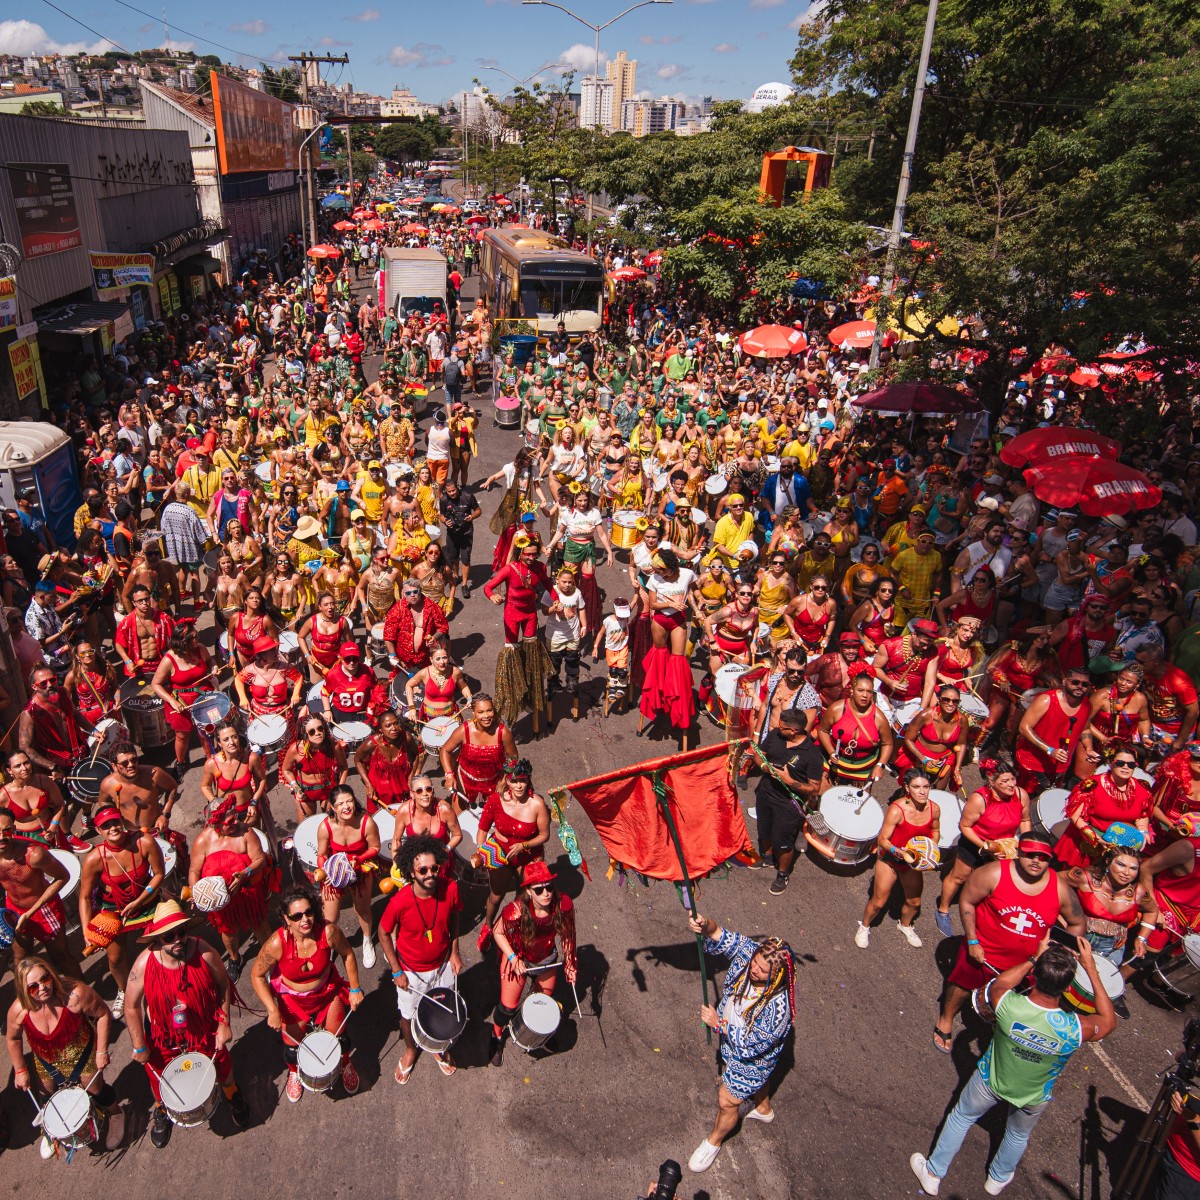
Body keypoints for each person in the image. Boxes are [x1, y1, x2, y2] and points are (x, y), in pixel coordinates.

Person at [910, 939, 1115, 1197]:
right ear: (1068, 986)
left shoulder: (1007, 1004)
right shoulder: (1075, 1028)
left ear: (1036, 975)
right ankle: (997, 1179)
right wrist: (1092, 970)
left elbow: (1001, 983)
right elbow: (1108, 1020)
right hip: (1033, 1095)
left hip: (989, 1081)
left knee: (961, 1117)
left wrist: (1032, 958)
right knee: (1017, 1135)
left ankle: (933, 1174)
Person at [933, 831, 1085, 1054]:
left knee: (1018, 1004)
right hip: (984, 952)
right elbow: (966, 901)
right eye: (1030, 854)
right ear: (1019, 852)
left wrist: (1059, 952)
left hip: (1028, 964)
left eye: (1043, 857)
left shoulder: (1060, 888)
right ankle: (946, 1019)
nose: (1036, 861)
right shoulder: (993, 873)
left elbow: (1077, 922)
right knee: (961, 986)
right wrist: (973, 941)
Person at [123, 900, 250, 1148]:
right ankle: (161, 1109)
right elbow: (130, 1006)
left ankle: (232, 1094)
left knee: (222, 1065)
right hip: (164, 1036)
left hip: (204, 1029)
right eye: (170, 936)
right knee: (159, 1078)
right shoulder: (143, 964)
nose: (178, 939)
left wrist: (224, 1023)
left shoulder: (203, 951)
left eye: (182, 932)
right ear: (158, 938)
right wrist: (139, 1045)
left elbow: (224, 984)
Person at [685, 909, 795, 1174]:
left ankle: (714, 1141)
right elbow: (722, 936)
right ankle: (763, 1107)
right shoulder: (750, 953)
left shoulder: (778, 1009)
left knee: (727, 1100)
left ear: (776, 977)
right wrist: (706, 924)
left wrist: (718, 1024)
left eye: (761, 970)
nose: (753, 969)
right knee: (757, 1084)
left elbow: (750, 1046)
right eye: (754, 962)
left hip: (749, 1062)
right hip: (735, 1049)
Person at [250, 884, 363, 1104]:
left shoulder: (328, 932)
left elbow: (348, 954)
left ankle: (345, 1062)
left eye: (309, 912)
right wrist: (272, 1009)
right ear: (286, 918)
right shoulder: (276, 943)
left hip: (327, 994)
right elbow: (256, 975)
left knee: (340, 1038)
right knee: (293, 1047)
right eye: (297, 915)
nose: (305, 919)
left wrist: (355, 989)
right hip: (293, 1002)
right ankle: (295, 1071)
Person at [6, 957, 121, 1160]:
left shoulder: (74, 995)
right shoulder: (18, 1011)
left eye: (45, 979)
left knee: (95, 1089)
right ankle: (50, 1130)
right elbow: (13, 1038)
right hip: (46, 1061)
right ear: (25, 991)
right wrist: (20, 1069)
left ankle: (115, 1114)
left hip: (80, 1052)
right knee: (47, 1095)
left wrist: (101, 1051)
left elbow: (103, 1014)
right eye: (33, 987)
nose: (42, 987)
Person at [378, 834, 464, 1084]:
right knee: (407, 1015)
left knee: (441, 1008)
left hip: (442, 966)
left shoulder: (451, 888)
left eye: (434, 868)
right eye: (422, 869)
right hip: (410, 972)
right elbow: (383, 932)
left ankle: (437, 1046)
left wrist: (455, 952)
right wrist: (396, 971)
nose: (430, 874)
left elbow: (456, 917)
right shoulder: (400, 901)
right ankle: (410, 1050)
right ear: (411, 872)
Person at [488, 860, 578, 1066]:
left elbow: (567, 936)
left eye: (548, 887)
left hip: (546, 959)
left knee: (543, 1005)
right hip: (519, 959)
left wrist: (570, 961)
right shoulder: (516, 910)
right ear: (528, 890)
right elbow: (497, 932)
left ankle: (540, 1035)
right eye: (539, 889)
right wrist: (512, 957)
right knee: (507, 1008)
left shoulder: (562, 904)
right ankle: (496, 1035)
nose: (546, 893)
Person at [78, 805, 165, 1015]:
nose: (112, 828)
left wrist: (140, 900)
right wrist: (87, 931)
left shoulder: (144, 842)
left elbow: (159, 874)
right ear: (98, 831)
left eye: (115, 822)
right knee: (116, 958)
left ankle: (165, 980)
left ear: (123, 822)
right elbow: (84, 897)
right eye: (105, 826)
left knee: (164, 942)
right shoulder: (94, 858)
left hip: (146, 900)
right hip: (111, 908)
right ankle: (124, 990)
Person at [935, 757, 1032, 936]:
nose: (1011, 785)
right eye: (1004, 781)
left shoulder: (1020, 795)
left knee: (991, 884)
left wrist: (1026, 843)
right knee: (958, 878)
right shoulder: (979, 799)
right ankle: (943, 909)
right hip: (976, 844)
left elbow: (1025, 820)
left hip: (1004, 849)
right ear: (991, 781)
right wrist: (985, 846)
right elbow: (964, 826)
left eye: (1013, 779)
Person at [187, 796, 272, 981]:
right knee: (228, 932)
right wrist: (196, 890)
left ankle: (271, 958)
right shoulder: (203, 841)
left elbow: (260, 859)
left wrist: (245, 873)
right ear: (215, 823)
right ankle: (234, 959)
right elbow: (194, 870)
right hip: (220, 898)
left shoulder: (246, 832)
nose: (236, 823)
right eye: (229, 821)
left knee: (260, 925)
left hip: (247, 891)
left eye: (236, 818)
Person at [855, 769, 942, 949]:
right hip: (890, 860)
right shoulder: (897, 809)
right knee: (878, 902)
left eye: (926, 787)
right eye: (916, 787)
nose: (922, 791)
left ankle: (905, 925)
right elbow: (883, 840)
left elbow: (935, 831)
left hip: (913, 863)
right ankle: (864, 926)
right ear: (907, 788)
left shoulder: (934, 809)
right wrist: (901, 853)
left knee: (914, 902)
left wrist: (930, 847)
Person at [746, 709, 823, 895]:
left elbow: (814, 788)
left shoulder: (812, 755)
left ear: (794, 730)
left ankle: (782, 873)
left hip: (787, 804)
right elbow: (759, 753)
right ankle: (767, 856)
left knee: (784, 841)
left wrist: (789, 781)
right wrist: (765, 766)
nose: (777, 728)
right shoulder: (776, 735)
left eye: (782, 727)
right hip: (765, 793)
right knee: (764, 829)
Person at [0, 806, 77, 976]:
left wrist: (31, 912)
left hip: (43, 909)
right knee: (20, 961)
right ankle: (29, 1001)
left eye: (6, 831)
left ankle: (85, 996)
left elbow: (63, 876)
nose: (1, 837)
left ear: (13, 829)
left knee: (60, 958)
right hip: (14, 909)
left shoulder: (33, 855)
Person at [1053, 750, 1153, 869]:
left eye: (1131, 765)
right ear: (1110, 763)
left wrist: (1143, 831)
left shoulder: (1142, 789)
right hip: (1087, 841)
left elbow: (1142, 814)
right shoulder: (1092, 785)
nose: (1126, 767)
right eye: (1120, 763)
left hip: (1119, 846)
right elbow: (1074, 815)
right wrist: (1095, 838)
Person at [316, 785, 382, 967]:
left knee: (363, 909)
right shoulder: (325, 827)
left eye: (349, 801)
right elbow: (321, 854)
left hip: (360, 871)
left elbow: (375, 847)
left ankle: (367, 940)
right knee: (330, 916)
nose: (346, 807)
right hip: (334, 872)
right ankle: (329, 945)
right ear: (332, 807)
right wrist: (328, 870)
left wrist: (358, 859)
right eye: (340, 804)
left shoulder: (366, 822)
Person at [151, 620, 215, 779]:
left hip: (203, 696)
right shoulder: (169, 659)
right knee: (182, 736)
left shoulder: (201, 649)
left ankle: (211, 760)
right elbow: (156, 684)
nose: (196, 640)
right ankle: (181, 762)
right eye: (192, 638)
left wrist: (213, 667)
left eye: (196, 636)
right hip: (181, 701)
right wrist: (172, 701)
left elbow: (210, 661)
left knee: (207, 731)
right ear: (182, 642)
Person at [1014, 667, 1091, 794]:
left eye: (1084, 684)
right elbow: (1024, 727)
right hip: (1031, 764)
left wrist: (1089, 748)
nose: (1080, 686)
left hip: (1059, 768)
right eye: (1075, 682)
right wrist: (1050, 750)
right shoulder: (1046, 699)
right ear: (1065, 681)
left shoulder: (1086, 704)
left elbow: (1085, 728)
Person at [816, 664, 894, 787]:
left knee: (857, 804)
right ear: (852, 690)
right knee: (822, 797)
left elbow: (887, 743)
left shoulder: (879, 717)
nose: (864, 695)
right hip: (834, 763)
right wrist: (831, 752)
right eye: (860, 690)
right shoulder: (837, 708)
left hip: (864, 768)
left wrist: (880, 765)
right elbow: (823, 731)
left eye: (869, 692)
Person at [439, 693, 518, 810]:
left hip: (494, 783)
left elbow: (513, 757)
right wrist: (449, 775)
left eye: (489, 710)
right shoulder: (464, 730)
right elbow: (445, 750)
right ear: (474, 713)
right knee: (459, 821)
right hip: (464, 783)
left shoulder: (503, 732)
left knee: (492, 823)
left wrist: (503, 781)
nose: (486, 716)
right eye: (480, 712)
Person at [281, 713, 349, 821]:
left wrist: (340, 787)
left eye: (320, 729)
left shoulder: (333, 746)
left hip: (328, 789)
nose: (317, 733)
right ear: (305, 734)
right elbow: (286, 770)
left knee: (332, 823)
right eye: (312, 731)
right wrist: (295, 787)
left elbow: (343, 766)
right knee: (307, 826)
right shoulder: (296, 749)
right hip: (305, 792)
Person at [354, 709, 417, 815]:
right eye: (388, 725)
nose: (394, 728)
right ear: (380, 729)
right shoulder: (371, 743)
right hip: (379, 793)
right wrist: (368, 784)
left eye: (396, 723)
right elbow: (357, 760)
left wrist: (411, 777)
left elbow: (416, 755)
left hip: (403, 790)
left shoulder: (406, 738)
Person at [383, 577, 450, 672]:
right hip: (403, 660)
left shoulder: (433, 608)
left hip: (425, 659)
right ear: (403, 594)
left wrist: (434, 637)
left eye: (415, 592)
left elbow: (443, 627)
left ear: (420, 591)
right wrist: (392, 655)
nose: (412, 595)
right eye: (408, 593)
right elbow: (389, 635)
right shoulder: (397, 609)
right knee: (402, 684)